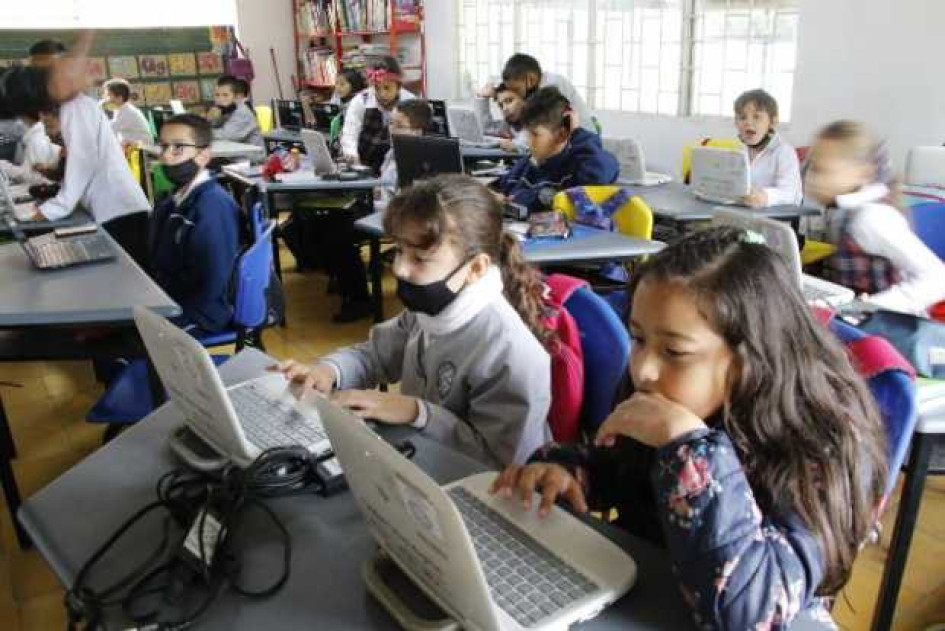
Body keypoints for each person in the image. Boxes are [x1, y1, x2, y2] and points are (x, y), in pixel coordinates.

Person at [491, 226, 888, 629]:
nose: (644, 368)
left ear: (752, 359)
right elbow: (620, 468)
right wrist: (567, 471)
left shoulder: (823, 443)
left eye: (675, 351)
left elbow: (749, 612)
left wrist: (690, 449)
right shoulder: (670, 391)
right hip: (644, 598)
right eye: (638, 338)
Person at [276, 174, 552, 467]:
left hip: (469, 483)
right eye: (398, 250)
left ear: (475, 268)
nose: (399, 269)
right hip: (420, 459)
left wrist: (416, 412)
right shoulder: (432, 311)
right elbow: (374, 355)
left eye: (419, 259)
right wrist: (330, 371)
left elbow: (502, 466)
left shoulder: (511, 354)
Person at [807, 120, 945, 316]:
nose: (812, 180)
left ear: (860, 172)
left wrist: (868, 306)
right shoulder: (842, 210)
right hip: (856, 315)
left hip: (887, 324)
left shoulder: (871, 218)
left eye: (823, 171)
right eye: (812, 168)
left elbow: (937, 278)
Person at [24, 94, 151, 268]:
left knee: (132, 271)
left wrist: (30, 221)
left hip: (122, 211)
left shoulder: (77, 110)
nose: (47, 133)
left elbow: (69, 195)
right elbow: (70, 176)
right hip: (114, 210)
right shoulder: (77, 123)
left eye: (48, 125)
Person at [148, 114, 241, 333]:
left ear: (203, 155)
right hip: (169, 300)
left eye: (178, 147)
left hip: (200, 312)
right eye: (163, 146)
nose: (166, 155)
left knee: (126, 342)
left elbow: (211, 281)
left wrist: (159, 307)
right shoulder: (171, 201)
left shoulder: (212, 205)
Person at [495, 86, 619, 213]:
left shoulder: (581, 166)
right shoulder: (527, 164)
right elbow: (506, 188)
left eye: (535, 134)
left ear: (562, 135)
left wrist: (577, 132)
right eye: (528, 134)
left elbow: (598, 174)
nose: (529, 141)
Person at [479, 53, 595, 135]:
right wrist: (487, 94)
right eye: (501, 105)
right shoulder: (531, 88)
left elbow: (541, 128)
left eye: (516, 90)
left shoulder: (552, 86)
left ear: (530, 80)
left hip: (581, 142)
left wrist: (517, 145)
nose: (517, 94)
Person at [340, 56, 415, 173]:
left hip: (396, 164)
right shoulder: (361, 100)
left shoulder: (410, 102)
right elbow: (350, 132)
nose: (382, 94)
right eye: (377, 88)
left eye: (387, 88)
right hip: (364, 161)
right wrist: (352, 155)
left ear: (399, 86)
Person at [733, 89, 802, 208]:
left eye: (757, 117)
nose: (748, 122)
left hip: (773, 217)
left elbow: (792, 194)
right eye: (742, 117)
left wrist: (766, 197)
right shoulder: (738, 150)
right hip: (740, 213)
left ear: (772, 121)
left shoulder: (784, 152)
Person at [378, 98, 432, 204]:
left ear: (418, 132)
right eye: (391, 123)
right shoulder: (391, 153)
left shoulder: (421, 164)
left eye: (400, 126)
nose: (391, 130)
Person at [207, 75, 263, 147]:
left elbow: (227, 136)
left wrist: (203, 132)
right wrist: (210, 119)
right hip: (234, 150)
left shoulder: (242, 112)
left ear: (236, 97)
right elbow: (215, 127)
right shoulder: (225, 110)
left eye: (225, 95)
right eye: (217, 95)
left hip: (250, 153)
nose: (220, 99)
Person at [102, 78, 152, 146]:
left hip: (141, 149)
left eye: (108, 95)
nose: (105, 98)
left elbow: (109, 130)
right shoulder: (122, 109)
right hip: (135, 145)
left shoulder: (127, 112)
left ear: (119, 98)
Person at [484, 82, 527, 153]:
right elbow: (485, 129)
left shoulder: (538, 123)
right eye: (501, 105)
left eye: (509, 101)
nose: (505, 109)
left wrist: (515, 147)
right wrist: (484, 98)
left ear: (524, 99)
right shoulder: (509, 125)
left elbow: (524, 145)